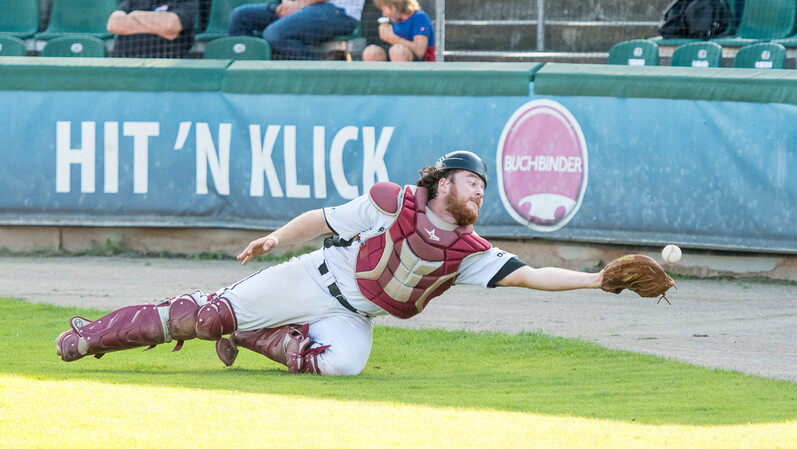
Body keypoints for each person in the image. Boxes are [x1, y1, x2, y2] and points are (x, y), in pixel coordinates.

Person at [56, 151, 612, 376]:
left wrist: (596, 279)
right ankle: (90, 337)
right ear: (445, 183)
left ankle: (252, 334)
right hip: (311, 279)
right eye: (473, 184)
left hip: (353, 316)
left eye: (484, 190)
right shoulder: (392, 201)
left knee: (342, 367)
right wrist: (274, 238)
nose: (480, 194)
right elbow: (323, 221)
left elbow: (533, 275)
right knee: (203, 318)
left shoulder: (471, 251)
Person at [228, 0, 364, 60]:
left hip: (339, 13)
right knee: (240, 16)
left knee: (274, 34)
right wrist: (287, 5)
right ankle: (251, 78)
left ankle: (317, 76)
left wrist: (297, 5)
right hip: (304, 7)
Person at [107, 0, 197, 58]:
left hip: (165, 67)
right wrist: (159, 27)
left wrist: (135, 15)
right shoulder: (133, 1)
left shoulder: (185, 2)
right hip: (125, 65)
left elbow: (169, 24)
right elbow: (113, 24)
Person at [362, 0, 434, 62]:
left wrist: (393, 38)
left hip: (422, 62)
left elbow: (420, 52)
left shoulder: (419, 17)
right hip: (397, 58)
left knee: (398, 51)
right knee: (371, 52)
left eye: (384, 9)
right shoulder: (396, 20)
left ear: (394, 6)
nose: (383, 14)